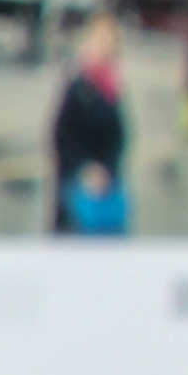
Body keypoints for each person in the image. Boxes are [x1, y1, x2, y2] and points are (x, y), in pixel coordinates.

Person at [49, 15, 130, 236]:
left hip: (107, 184)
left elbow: (119, 137)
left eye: (109, 44)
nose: (103, 49)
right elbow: (62, 136)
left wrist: (108, 169)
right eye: (98, 42)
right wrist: (85, 168)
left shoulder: (112, 86)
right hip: (78, 186)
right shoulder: (77, 87)